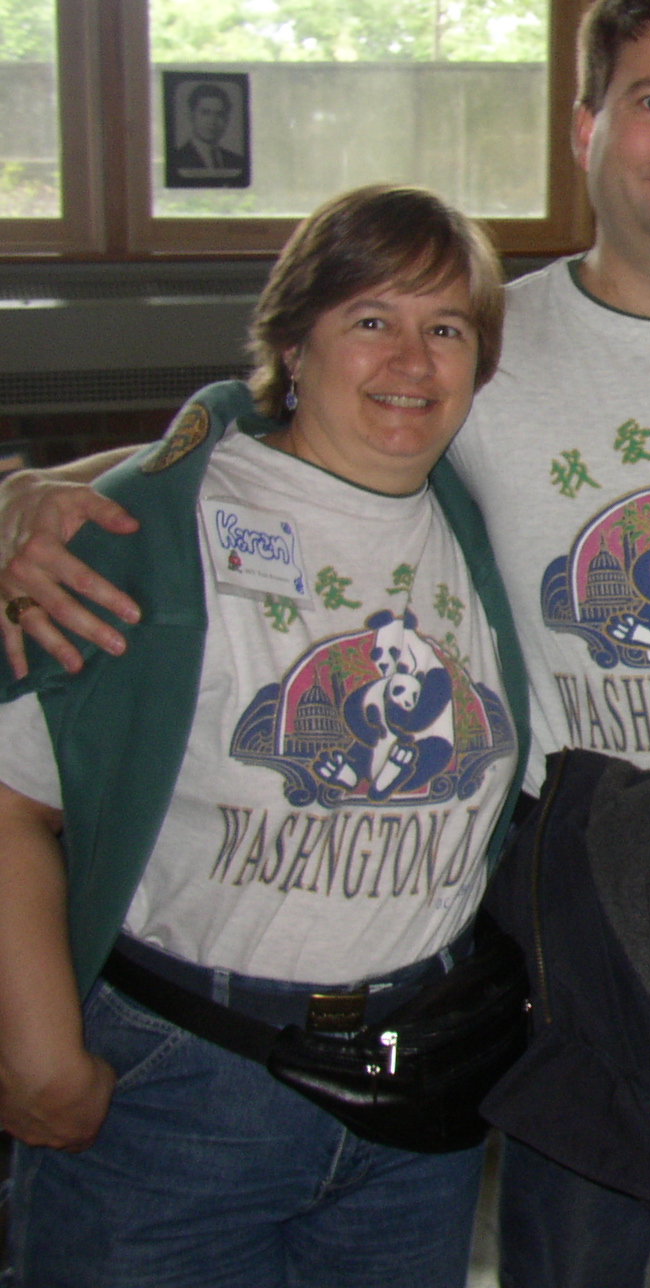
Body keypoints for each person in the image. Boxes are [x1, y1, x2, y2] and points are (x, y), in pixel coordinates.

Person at [0, 0, 650, 1288]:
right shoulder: (483, 349)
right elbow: (277, 432)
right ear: (585, 125)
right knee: (567, 1263)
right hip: (571, 898)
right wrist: (32, 494)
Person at [0, 184, 525, 1287]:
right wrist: (42, 1054)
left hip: (415, 1096)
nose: (412, 361)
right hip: (181, 1090)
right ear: (293, 343)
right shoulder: (149, 530)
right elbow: (11, 801)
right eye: (371, 319)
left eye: (447, 329)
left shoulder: (478, 521)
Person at [170, 82, 247, 176]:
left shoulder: (237, 161)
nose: (212, 122)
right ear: (191, 115)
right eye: (205, 113)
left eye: (219, 114)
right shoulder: (177, 159)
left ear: (227, 120)